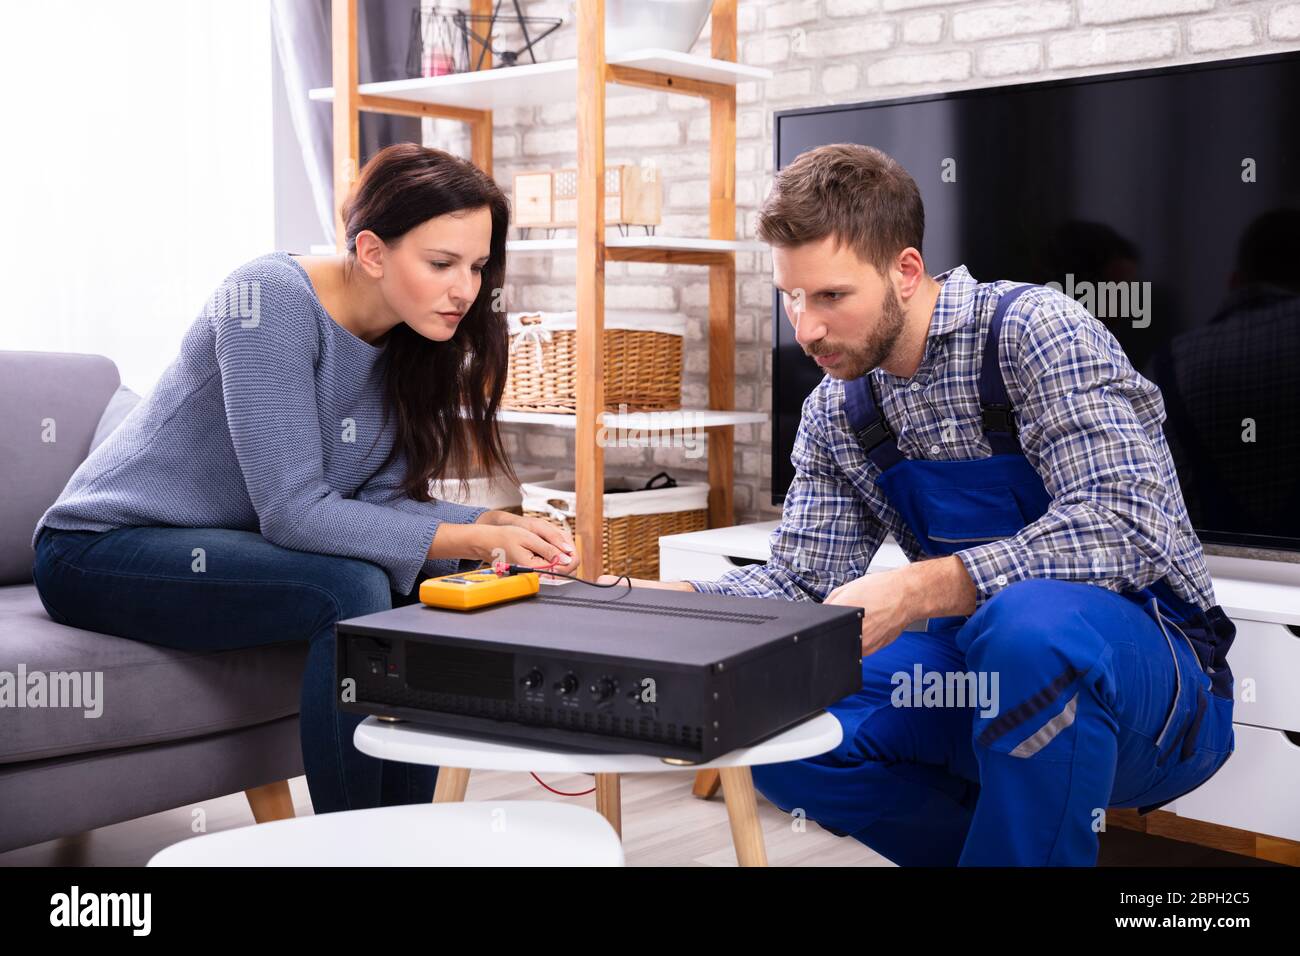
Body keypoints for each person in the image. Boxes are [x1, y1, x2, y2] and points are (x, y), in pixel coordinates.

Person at [607, 144, 1236, 866]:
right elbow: (799, 585)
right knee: (763, 714)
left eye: (831, 297)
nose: (804, 329)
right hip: (983, 676)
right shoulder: (837, 411)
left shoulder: (1035, 333)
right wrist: (653, 605)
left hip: (1157, 691)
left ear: (906, 271)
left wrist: (920, 588)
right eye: (791, 296)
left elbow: (1127, 522)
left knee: (1029, 626)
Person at [31, 143, 577, 814]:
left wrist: (484, 526)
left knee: (427, 586)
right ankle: (349, 848)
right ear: (372, 252)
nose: (465, 290)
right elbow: (294, 512)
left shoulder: (412, 339)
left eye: (476, 267)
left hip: (227, 545)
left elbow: (376, 504)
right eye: (440, 264)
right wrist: (461, 539)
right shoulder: (265, 300)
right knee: (349, 585)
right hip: (98, 549)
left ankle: (402, 843)